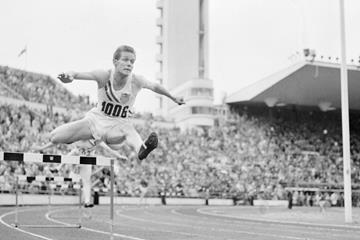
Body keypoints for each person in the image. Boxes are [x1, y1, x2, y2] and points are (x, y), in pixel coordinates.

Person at [34, 45, 185, 161]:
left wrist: (173, 98)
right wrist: (70, 75)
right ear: (115, 61)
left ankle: (142, 148)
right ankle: (76, 139)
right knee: (55, 136)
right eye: (125, 60)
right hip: (95, 122)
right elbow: (79, 73)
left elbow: (155, 86)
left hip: (117, 127)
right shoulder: (104, 76)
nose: (129, 64)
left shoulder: (136, 80)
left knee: (128, 128)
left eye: (132, 61)